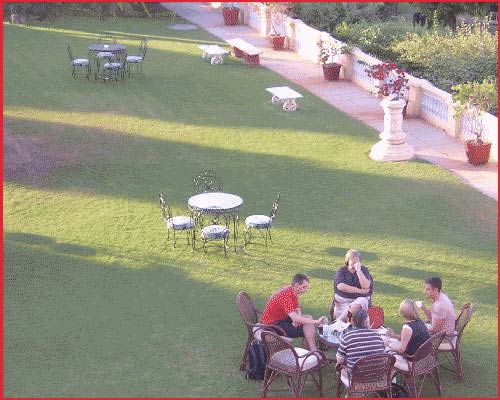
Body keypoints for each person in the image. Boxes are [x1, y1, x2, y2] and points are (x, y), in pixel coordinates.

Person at [261, 273, 327, 351]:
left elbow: (297, 308)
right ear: (296, 285)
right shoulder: (286, 295)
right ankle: (314, 350)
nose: (305, 290)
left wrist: (297, 319)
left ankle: (312, 349)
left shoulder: (291, 289)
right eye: (304, 287)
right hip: (272, 325)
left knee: (308, 318)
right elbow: (294, 316)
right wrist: (315, 322)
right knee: (309, 327)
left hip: (280, 318)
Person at [384, 300, 430, 370]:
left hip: (412, 360)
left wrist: (389, 344)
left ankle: (391, 380)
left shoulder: (407, 327)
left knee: (386, 350)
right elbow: (411, 337)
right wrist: (394, 336)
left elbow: (401, 349)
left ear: (402, 312)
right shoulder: (420, 322)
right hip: (424, 357)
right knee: (393, 342)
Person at [330, 249, 373, 321]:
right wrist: (360, 291)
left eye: (357, 260)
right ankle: (345, 322)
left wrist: (359, 271)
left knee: (360, 301)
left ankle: (338, 322)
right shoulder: (342, 270)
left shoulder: (364, 270)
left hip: (359, 302)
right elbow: (341, 286)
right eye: (352, 259)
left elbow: (366, 286)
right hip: (343, 302)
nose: (355, 261)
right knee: (350, 312)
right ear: (347, 260)